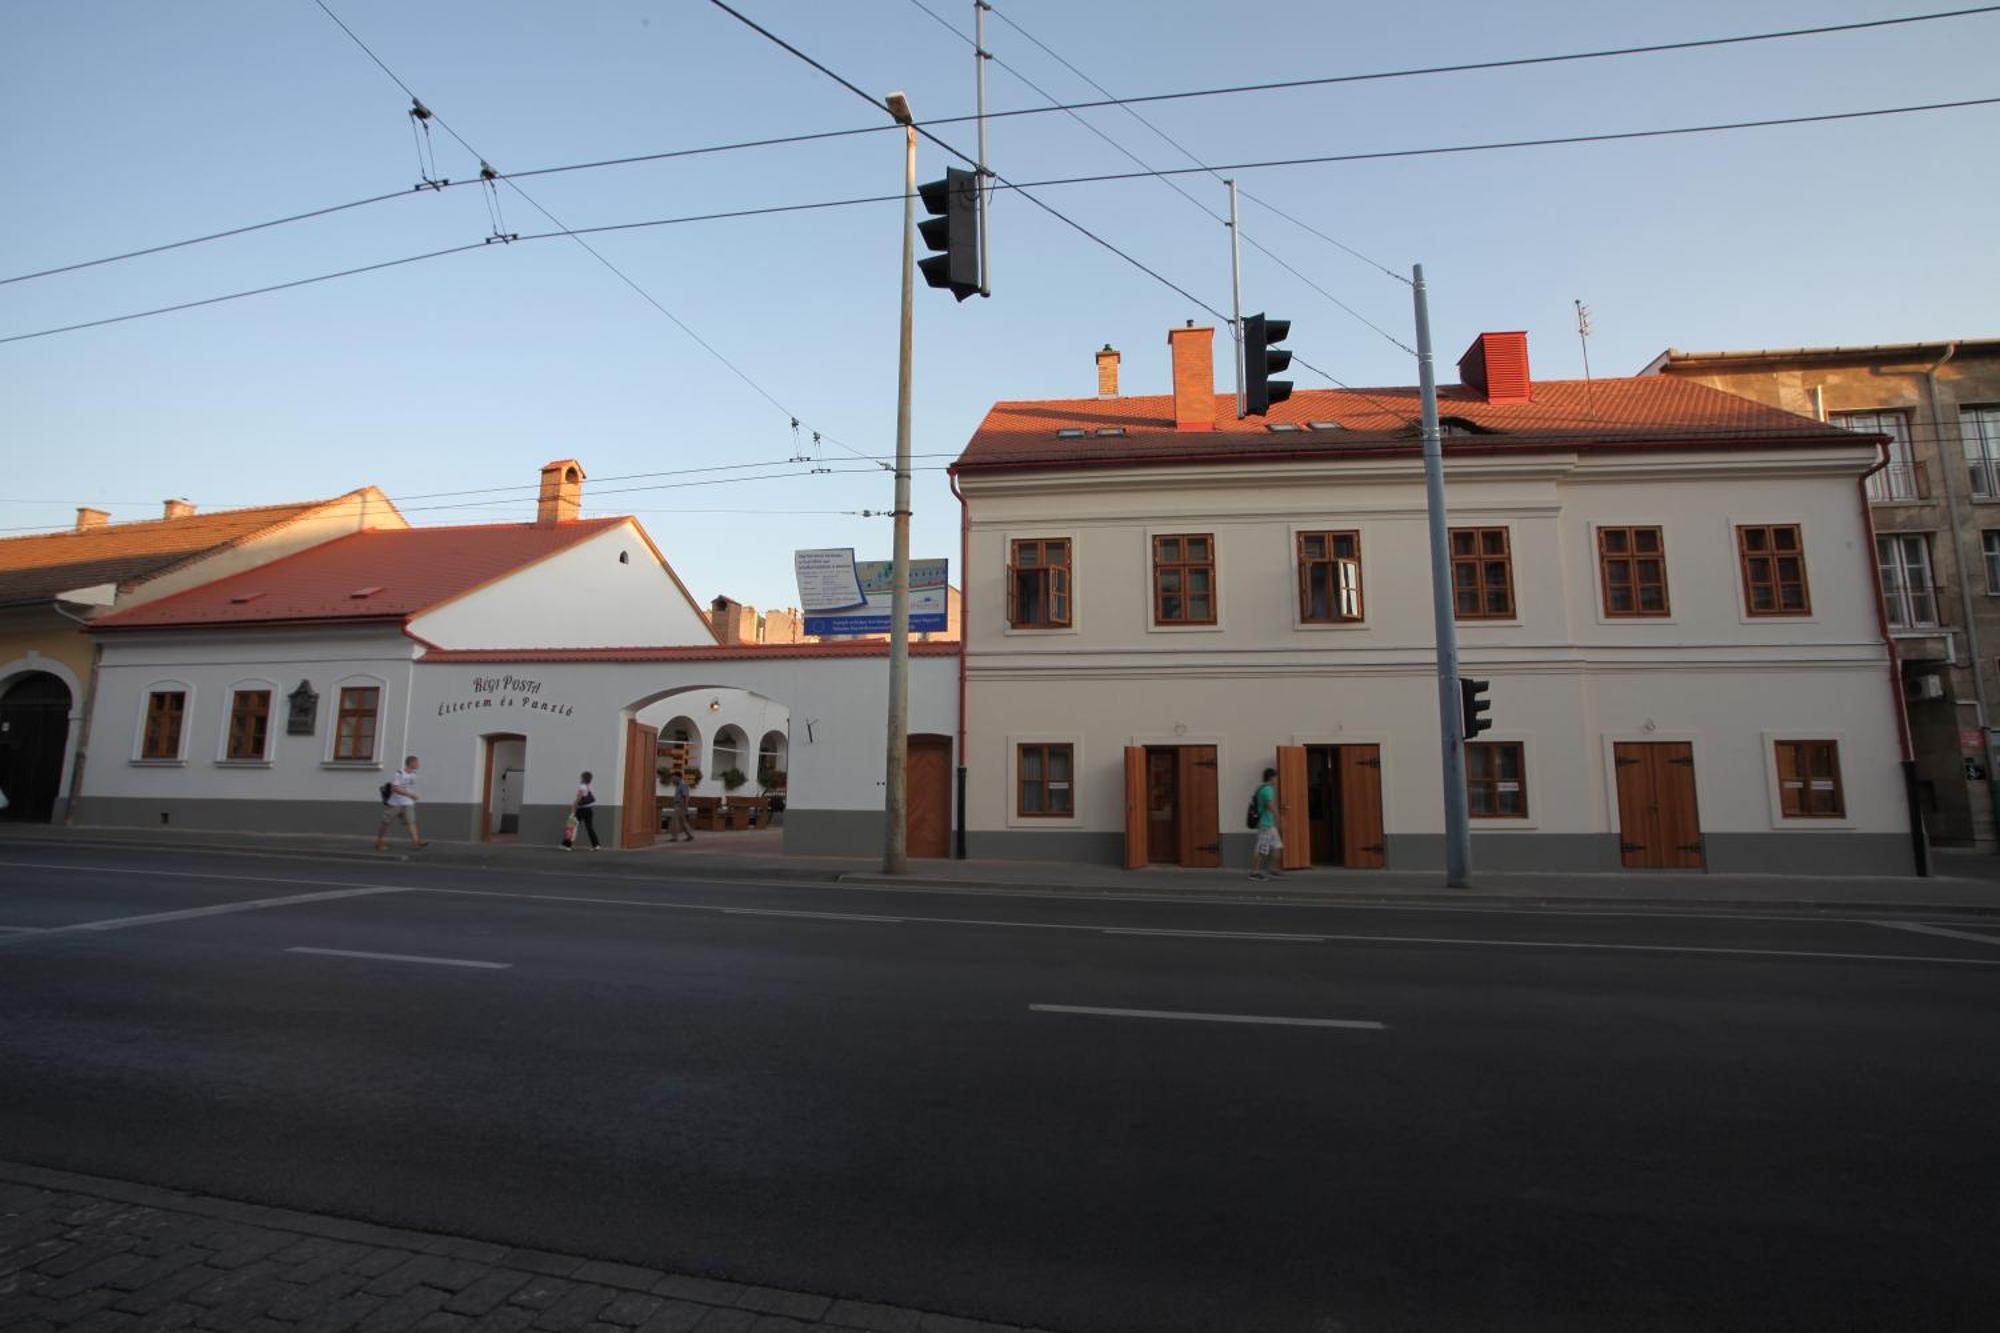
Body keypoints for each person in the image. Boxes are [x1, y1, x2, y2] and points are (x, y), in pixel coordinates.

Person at [375, 755, 427, 851]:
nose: (418, 764)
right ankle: (379, 841)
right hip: (396, 803)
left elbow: (408, 787)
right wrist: (410, 795)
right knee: (386, 822)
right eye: (417, 762)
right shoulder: (399, 773)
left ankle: (416, 842)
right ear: (411, 763)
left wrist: (411, 796)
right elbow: (394, 788)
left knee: (411, 822)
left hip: (408, 803)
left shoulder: (414, 774)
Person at [1249, 766, 1283, 881]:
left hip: (1269, 824)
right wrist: (1279, 817)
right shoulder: (1267, 790)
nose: (1276, 780)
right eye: (1275, 777)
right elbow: (1270, 805)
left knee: (1277, 846)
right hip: (1266, 824)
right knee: (1261, 849)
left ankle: (1273, 869)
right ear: (1271, 777)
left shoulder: (1262, 788)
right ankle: (1254, 873)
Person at [564, 770, 601, 850]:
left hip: (581, 810)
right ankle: (596, 845)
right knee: (589, 827)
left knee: (572, 825)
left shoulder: (582, 787)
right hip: (589, 809)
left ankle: (567, 845)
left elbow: (579, 798)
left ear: (583, 778)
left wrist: (574, 807)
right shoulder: (589, 787)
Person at [666, 771, 694, 843]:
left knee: (674, 821)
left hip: (680, 805)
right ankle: (690, 835)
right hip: (678, 805)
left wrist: (686, 806)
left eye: (673, 777)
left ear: (678, 777)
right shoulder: (678, 786)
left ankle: (674, 837)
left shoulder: (683, 785)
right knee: (683, 821)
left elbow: (686, 796)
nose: (672, 779)